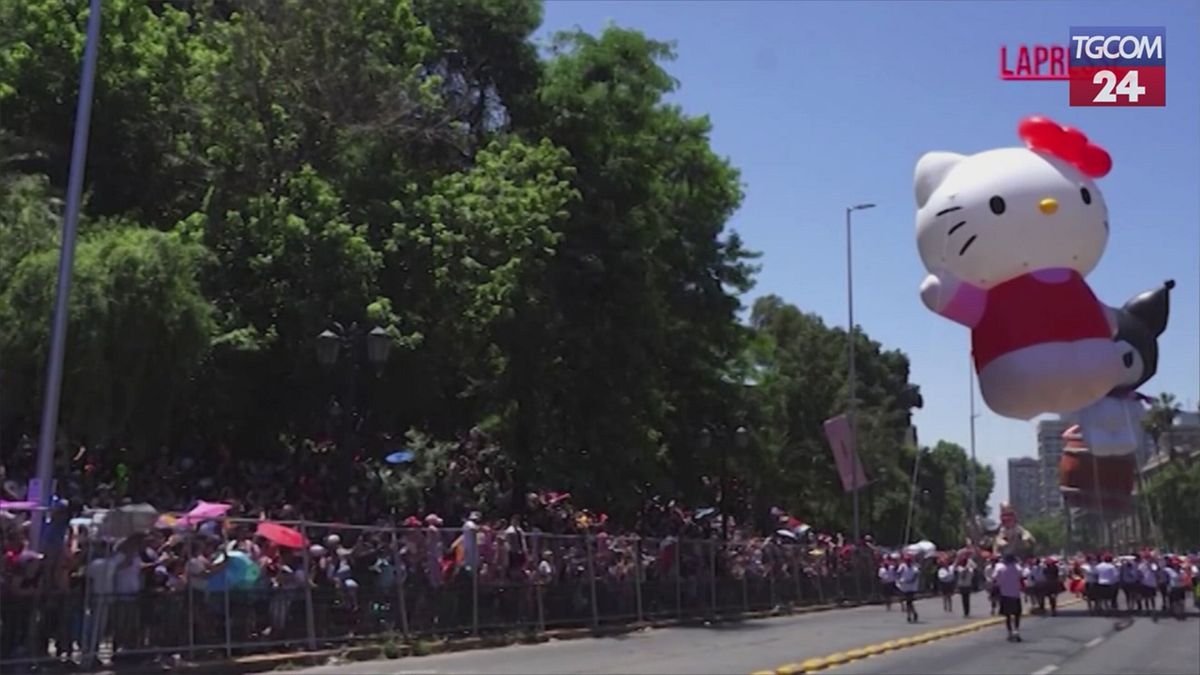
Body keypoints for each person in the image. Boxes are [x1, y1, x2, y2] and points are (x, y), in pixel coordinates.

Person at [994, 553, 1024, 642]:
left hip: (1005, 594)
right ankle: (1016, 630)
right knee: (1017, 615)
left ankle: (1009, 632)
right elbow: (1022, 574)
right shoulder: (1018, 568)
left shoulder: (1000, 569)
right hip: (1015, 594)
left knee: (1007, 615)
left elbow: (995, 579)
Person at [895, 553, 920, 623]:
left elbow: (915, 575)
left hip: (912, 587)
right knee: (908, 602)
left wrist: (911, 580)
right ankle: (913, 613)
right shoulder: (902, 566)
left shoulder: (914, 567)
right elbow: (898, 573)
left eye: (909, 561)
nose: (908, 562)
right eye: (907, 561)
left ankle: (909, 615)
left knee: (909, 601)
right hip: (904, 587)